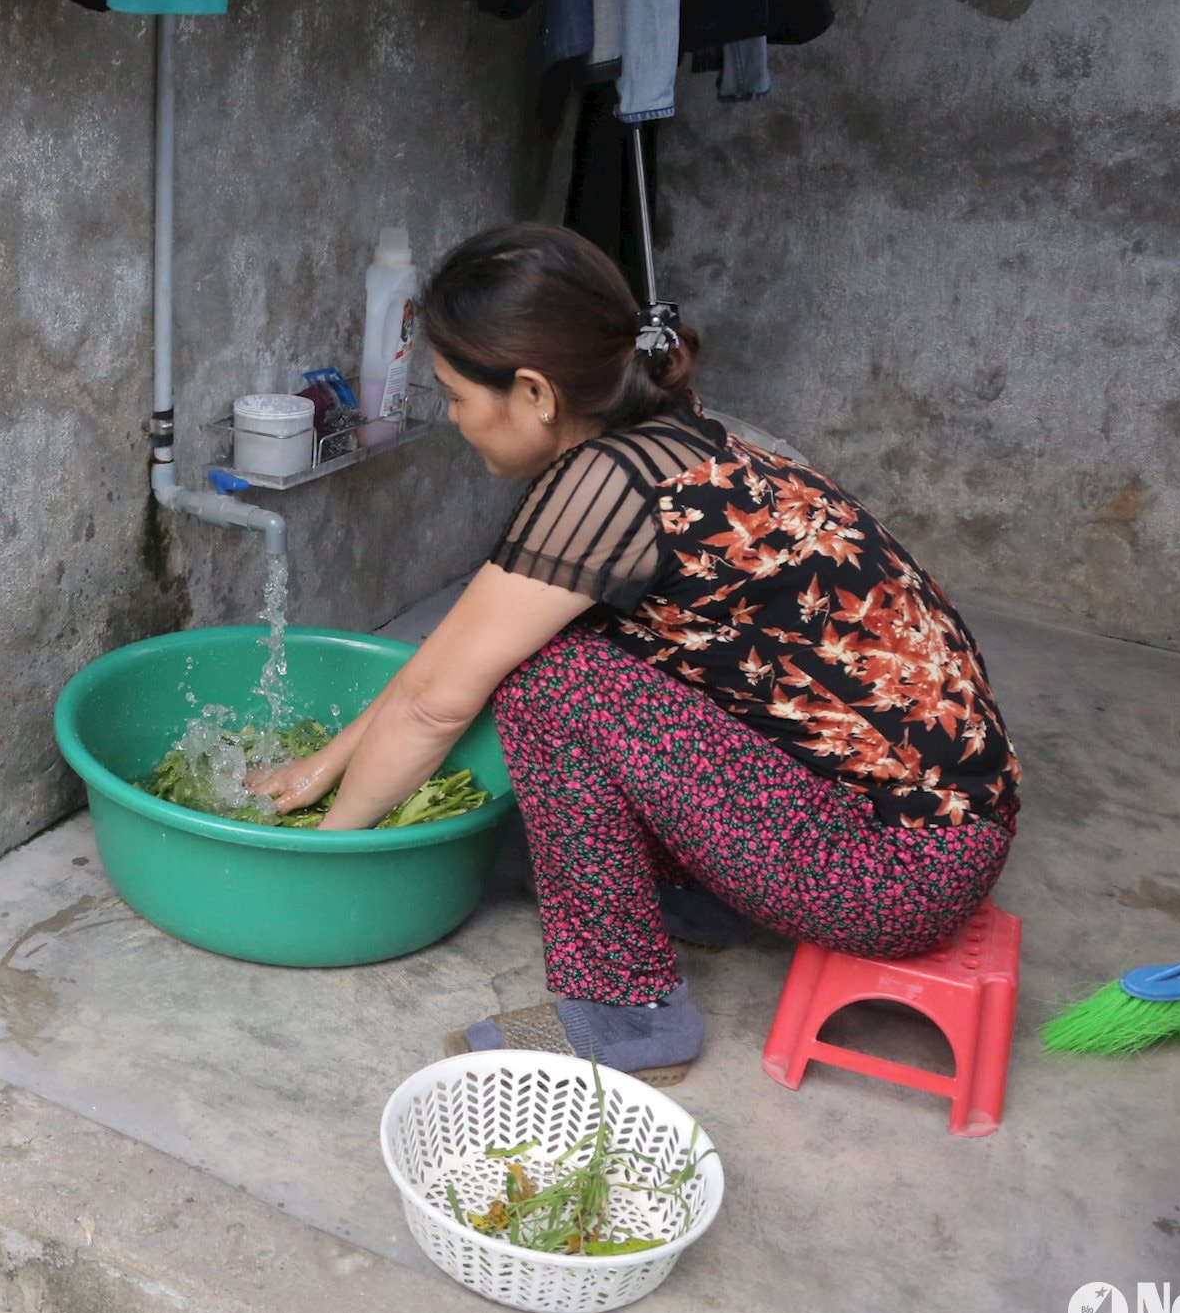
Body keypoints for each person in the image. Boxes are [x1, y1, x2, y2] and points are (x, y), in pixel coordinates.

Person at [248, 223, 1021, 1082]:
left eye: (457, 395)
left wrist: (322, 849)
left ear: (535, 393)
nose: (458, 420)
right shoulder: (677, 439)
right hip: (932, 832)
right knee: (555, 644)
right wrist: (323, 764)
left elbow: (440, 698)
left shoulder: (602, 487)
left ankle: (626, 1014)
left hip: (893, 871)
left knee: (549, 682)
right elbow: (454, 654)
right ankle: (704, 896)